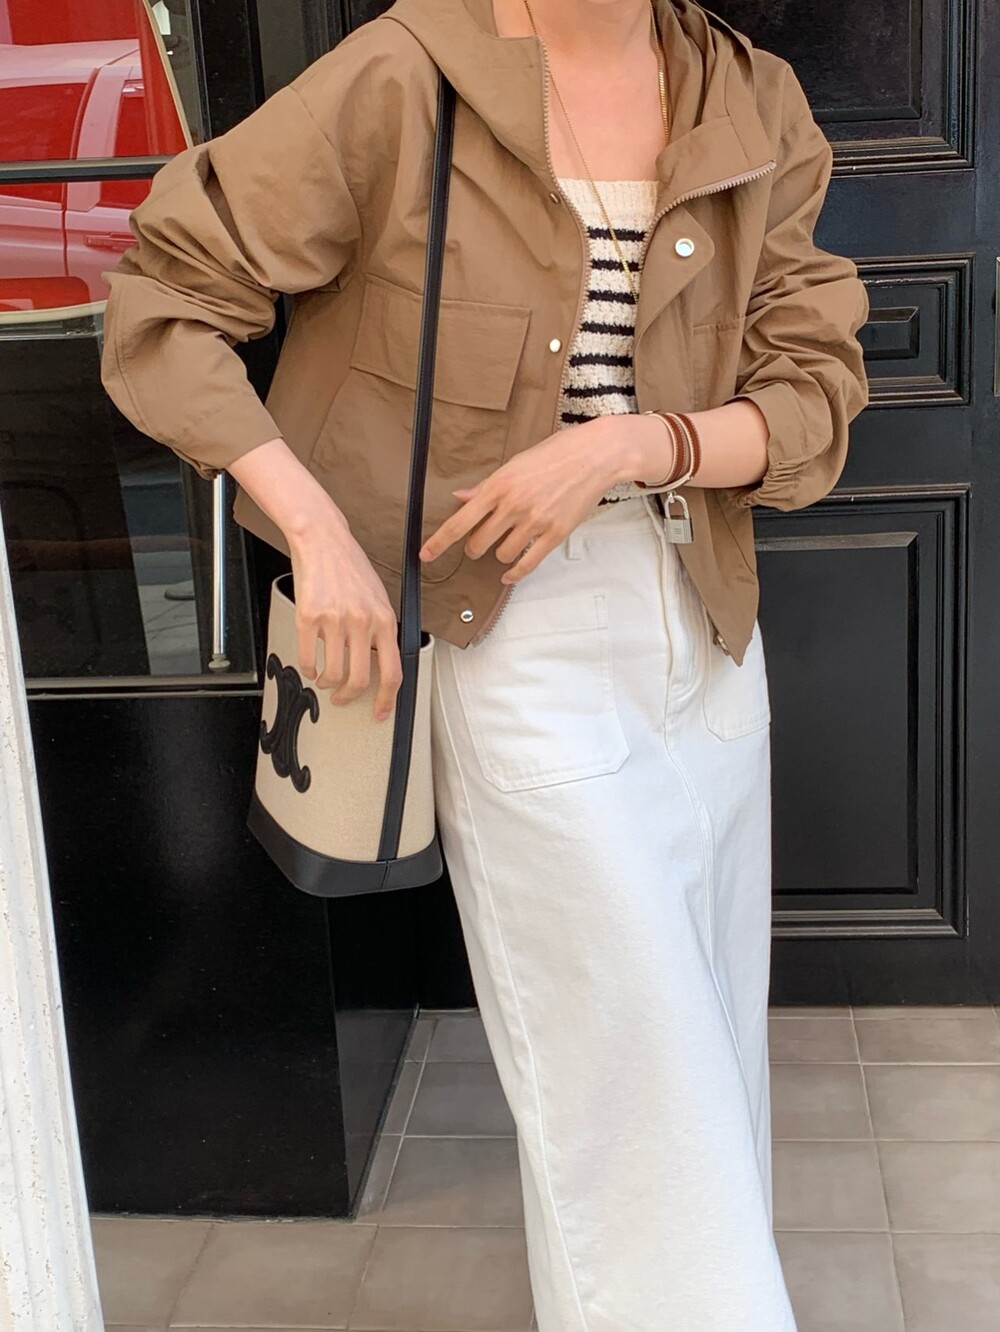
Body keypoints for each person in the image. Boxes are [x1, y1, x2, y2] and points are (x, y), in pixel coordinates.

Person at [100, 0, 869, 1326]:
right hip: (505, 634)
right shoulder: (408, 74)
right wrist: (318, 534)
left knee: (706, 1047)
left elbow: (815, 393)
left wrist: (631, 444)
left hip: (699, 616)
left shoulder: (749, 96)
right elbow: (164, 298)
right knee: (626, 1074)